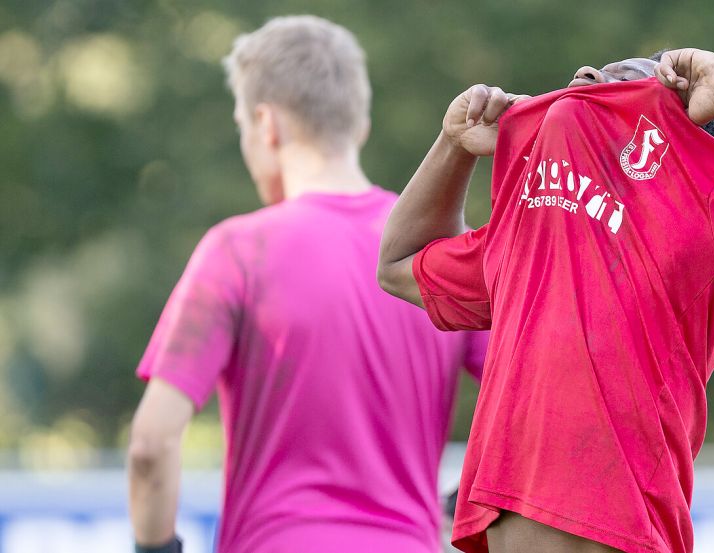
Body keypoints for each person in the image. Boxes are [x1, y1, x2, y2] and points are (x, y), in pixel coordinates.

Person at [377, 48, 714, 553]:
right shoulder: (528, 231)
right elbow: (400, 266)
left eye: (620, 85)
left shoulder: (713, 213)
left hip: (615, 523)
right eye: (590, 77)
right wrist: (452, 147)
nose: (587, 78)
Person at [127, 16, 487, 553]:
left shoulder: (238, 253)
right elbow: (543, 399)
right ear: (359, 124)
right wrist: (466, 501)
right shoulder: (440, 253)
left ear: (265, 125)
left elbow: (151, 445)